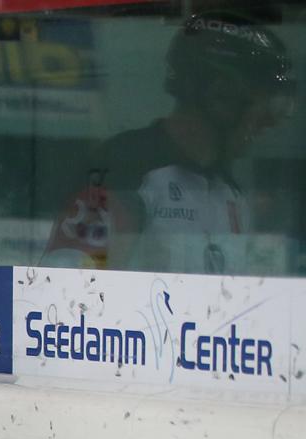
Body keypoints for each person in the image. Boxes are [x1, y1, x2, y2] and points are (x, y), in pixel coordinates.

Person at [42, 11, 295, 275]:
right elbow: (69, 289)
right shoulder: (123, 171)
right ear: (221, 96)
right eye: (266, 107)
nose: (270, 123)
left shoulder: (230, 193)